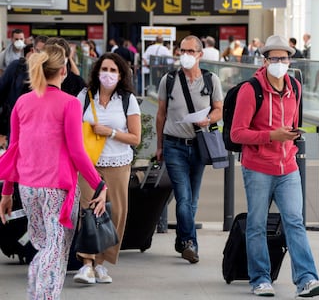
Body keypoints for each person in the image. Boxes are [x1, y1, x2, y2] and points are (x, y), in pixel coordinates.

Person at [0, 43, 107, 299]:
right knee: (55, 249)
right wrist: (99, 185)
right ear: (63, 70)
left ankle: (43, 293)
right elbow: (77, 152)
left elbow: (13, 149)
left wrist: (6, 192)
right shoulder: (69, 104)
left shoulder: (22, 102)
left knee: (43, 246)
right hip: (58, 189)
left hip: (27, 188)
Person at [231, 35, 319, 298]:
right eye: (274, 58)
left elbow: (293, 122)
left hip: (288, 166)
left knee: (295, 222)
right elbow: (237, 134)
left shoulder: (295, 86)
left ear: (290, 60)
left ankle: (307, 279)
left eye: (284, 58)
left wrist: (290, 137)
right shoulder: (251, 90)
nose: (279, 62)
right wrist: (271, 136)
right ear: (264, 60)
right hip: (258, 167)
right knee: (257, 224)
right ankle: (260, 279)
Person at [74, 52, 141, 284]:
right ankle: (87, 264)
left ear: (121, 74)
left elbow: (135, 138)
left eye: (113, 70)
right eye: (105, 69)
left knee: (116, 213)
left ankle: (102, 263)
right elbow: (72, 130)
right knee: (88, 211)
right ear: (97, 71)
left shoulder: (127, 100)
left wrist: (110, 132)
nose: (108, 74)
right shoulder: (84, 96)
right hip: (89, 164)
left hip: (118, 163)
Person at [156, 35, 223, 264]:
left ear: (200, 54)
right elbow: (161, 114)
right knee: (183, 197)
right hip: (174, 144)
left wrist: (208, 120)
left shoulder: (211, 80)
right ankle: (189, 243)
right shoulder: (169, 79)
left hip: (199, 145)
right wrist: (159, 145)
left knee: (192, 199)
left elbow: (219, 109)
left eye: (190, 51)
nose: (185, 55)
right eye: (182, 51)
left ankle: (182, 239)